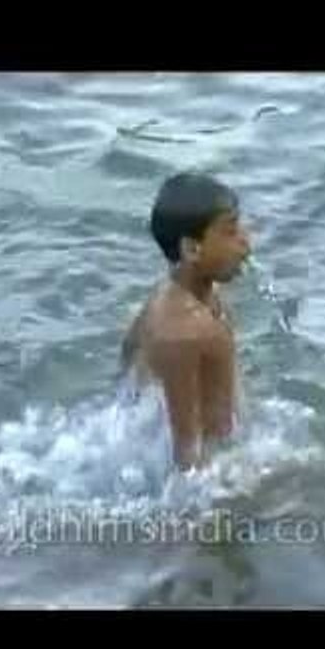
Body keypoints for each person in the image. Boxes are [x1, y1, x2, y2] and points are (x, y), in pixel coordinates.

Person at [121, 172, 252, 470]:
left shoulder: (171, 300)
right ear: (192, 249)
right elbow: (189, 457)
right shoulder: (188, 333)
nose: (246, 242)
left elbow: (127, 371)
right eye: (230, 232)